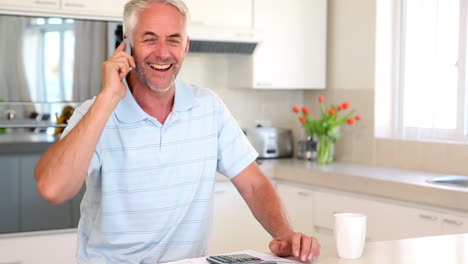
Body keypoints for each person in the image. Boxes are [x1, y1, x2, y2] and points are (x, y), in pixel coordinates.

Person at [34, 0, 320, 263]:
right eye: (149, 39)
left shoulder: (208, 107)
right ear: (127, 45)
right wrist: (109, 97)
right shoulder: (95, 113)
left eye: (174, 40)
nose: (162, 52)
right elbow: (53, 189)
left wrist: (284, 234)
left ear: (185, 46)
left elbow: (255, 184)